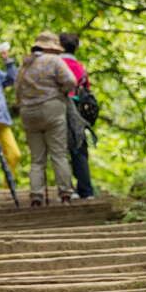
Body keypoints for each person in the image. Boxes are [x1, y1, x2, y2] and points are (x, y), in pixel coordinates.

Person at [14, 31, 77, 206]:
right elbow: (71, 81)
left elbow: (17, 90)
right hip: (52, 109)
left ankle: (36, 195)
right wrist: (61, 92)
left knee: (37, 158)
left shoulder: (25, 64)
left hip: (28, 112)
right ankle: (65, 194)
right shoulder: (54, 61)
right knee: (58, 154)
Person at [59, 32, 95, 198]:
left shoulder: (57, 64)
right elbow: (87, 88)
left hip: (61, 107)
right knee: (80, 148)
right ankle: (86, 190)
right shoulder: (81, 67)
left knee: (60, 150)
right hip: (79, 110)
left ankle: (68, 188)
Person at [0, 41, 22, 173]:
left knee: (15, 155)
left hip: (3, 119)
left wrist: (7, 60)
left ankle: (8, 184)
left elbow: (13, 80)